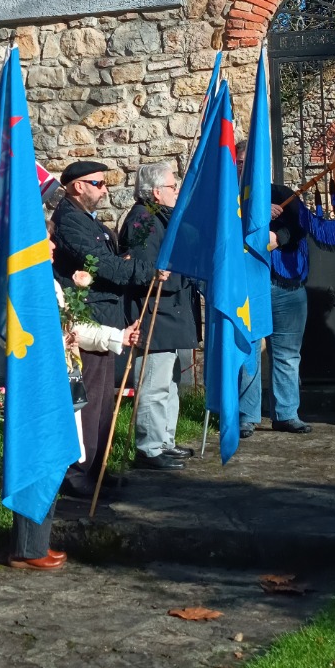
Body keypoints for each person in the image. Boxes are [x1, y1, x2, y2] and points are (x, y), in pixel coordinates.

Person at [10, 224, 140, 570]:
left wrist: (118, 336)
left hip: (59, 381)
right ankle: (26, 547)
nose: (53, 245)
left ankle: (36, 542)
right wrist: (55, 342)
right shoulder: (27, 284)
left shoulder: (49, 283)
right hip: (39, 385)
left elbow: (73, 329)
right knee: (40, 458)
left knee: (52, 457)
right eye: (45, 239)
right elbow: (24, 334)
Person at [50, 159, 161, 498]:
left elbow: (110, 260)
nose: (105, 190)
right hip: (88, 319)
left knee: (103, 401)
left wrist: (125, 264)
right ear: (77, 186)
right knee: (88, 401)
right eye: (98, 184)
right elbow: (103, 265)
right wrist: (147, 272)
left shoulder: (88, 220)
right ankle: (77, 472)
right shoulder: (69, 222)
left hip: (105, 316)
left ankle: (97, 467)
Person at [119, 161, 198, 466]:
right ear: (155, 192)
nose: (177, 190)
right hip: (154, 314)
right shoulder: (142, 220)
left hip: (169, 313)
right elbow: (145, 272)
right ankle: (149, 448)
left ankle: (165, 440)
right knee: (153, 384)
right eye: (172, 186)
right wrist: (184, 274)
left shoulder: (160, 218)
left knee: (170, 382)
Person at [238, 185, 315, 438]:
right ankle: (246, 416)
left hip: (286, 285)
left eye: (245, 161)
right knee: (248, 349)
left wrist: (278, 236)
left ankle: (286, 414)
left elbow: (300, 224)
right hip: (248, 285)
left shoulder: (281, 193)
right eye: (239, 163)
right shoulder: (230, 195)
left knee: (287, 354)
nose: (242, 167)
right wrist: (255, 211)